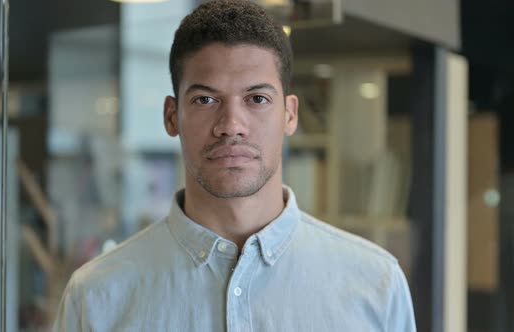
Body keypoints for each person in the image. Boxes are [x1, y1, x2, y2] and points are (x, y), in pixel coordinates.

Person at [53, 0, 416, 331]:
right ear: (171, 116)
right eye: (205, 99)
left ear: (289, 115)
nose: (231, 124)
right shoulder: (97, 298)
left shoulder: (375, 285)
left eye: (257, 98)